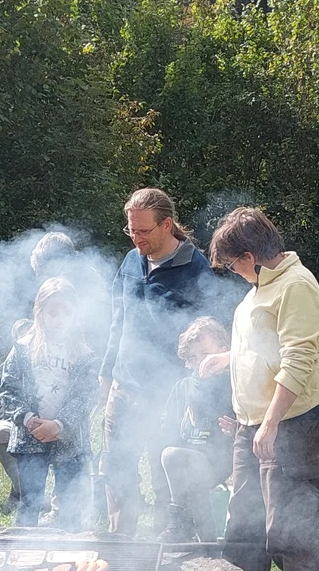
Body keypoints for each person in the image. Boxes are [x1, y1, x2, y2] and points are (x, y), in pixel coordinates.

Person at [208, 207, 319, 571]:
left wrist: (271, 424)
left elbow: (299, 358)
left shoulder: (296, 286)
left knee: (294, 530)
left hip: (294, 424)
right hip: (254, 425)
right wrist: (227, 358)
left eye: (234, 266)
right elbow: (267, 346)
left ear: (251, 256)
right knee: (243, 526)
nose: (235, 275)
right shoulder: (263, 285)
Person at [98, 188, 233, 536]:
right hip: (124, 388)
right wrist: (106, 373)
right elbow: (118, 320)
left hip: (166, 396)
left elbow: (209, 334)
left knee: (163, 477)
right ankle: (120, 545)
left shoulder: (195, 268)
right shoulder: (131, 261)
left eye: (143, 231)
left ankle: (163, 554)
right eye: (131, 230)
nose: (136, 238)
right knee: (116, 470)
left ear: (167, 225)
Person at [0, 230, 109, 506]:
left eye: (43, 272)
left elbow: (86, 390)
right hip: (31, 433)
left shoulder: (89, 287)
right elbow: (8, 386)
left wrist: (60, 424)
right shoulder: (26, 345)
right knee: (30, 503)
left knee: (70, 501)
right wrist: (28, 418)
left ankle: (71, 511)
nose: (59, 318)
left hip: (69, 430)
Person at [154, 317, 234, 543]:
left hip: (218, 461)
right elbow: (167, 427)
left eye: (205, 354)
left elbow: (248, 424)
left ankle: (180, 523)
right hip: (185, 461)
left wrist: (237, 430)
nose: (200, 362)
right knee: (174, 456)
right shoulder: (182, 388)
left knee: (178, 459)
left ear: (223, 351)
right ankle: (205, 538)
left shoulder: (232, 385)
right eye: (193, 357)